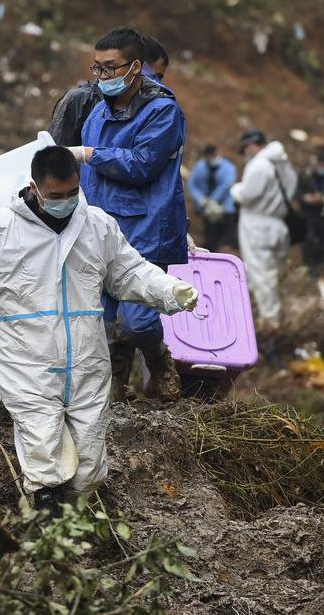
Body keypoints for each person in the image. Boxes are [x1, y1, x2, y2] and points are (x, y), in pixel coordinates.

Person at [0, 146, 197, 510]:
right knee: (44, 456)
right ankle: (46, 526)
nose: (66, 202)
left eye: (73, 193)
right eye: (56, 196)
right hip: (27, 361)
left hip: (87, 361)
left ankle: (72, 530)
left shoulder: (97, 225)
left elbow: (128, 272)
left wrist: (169, 290)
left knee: (89, 468)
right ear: (35, 188)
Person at [67, 27, 188, 401]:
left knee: (136, 320)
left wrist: (90, 154)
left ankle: (159, 359)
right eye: (97, 69)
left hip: (144, 230)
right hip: (97, 230)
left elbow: (142, 165)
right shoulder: (97, 115)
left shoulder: (163, 112)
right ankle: (116, 386)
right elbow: (85, 177)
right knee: (100, 320)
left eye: (110, 68)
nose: (102, 77)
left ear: (135, 67)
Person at [230, 132, 297, 329]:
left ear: (251, 145)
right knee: (273, 273)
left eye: (245, 149)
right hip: (277, 224)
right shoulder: (283, 165)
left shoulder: (259, 164)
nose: (245, 153)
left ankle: (270, 321)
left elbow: (248, 195)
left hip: (258, 224)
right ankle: (267, 313)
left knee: (262, 274)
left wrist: (235, 189)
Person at [296, 148, 324, 283]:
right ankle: (309, 267)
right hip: (308, 214)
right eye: (322, 164)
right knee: (308, 241)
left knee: (323, 243)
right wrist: (305, 198)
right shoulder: (306, 175)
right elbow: (297, 193)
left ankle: (319, 268)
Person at [187, 145, 238, 252]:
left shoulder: (227, 167)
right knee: (210, 240)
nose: (211, 158)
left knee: (227, 241)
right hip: (208, 211)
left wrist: (213, 199)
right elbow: (192, 184)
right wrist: (201, 199)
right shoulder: (199, 168)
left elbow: (226, 184)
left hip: (226, 209)